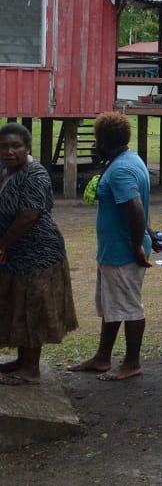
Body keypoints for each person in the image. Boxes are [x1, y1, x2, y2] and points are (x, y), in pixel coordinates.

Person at [68, 112, 152, 382]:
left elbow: (136, 208)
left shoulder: (120, 170)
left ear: (103, 141)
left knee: (129, 307)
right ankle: (102, 357)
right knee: (111, 305)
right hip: (114, 250)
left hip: (123, 252)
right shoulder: (130, 159)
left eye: (96, 139)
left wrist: (137, 244)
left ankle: (131, 363)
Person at [0, 123, 78, 386]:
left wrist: (2, 245)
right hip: (15, 253)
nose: (10, 151)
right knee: (19, 306)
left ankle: (31, 369)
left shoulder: (35, 174)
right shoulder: (5, 171)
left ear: (28, 147)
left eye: (16, 146)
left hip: (39, 254)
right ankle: (22, 361)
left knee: (33, 307)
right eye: (4, 146)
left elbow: (28, 216)